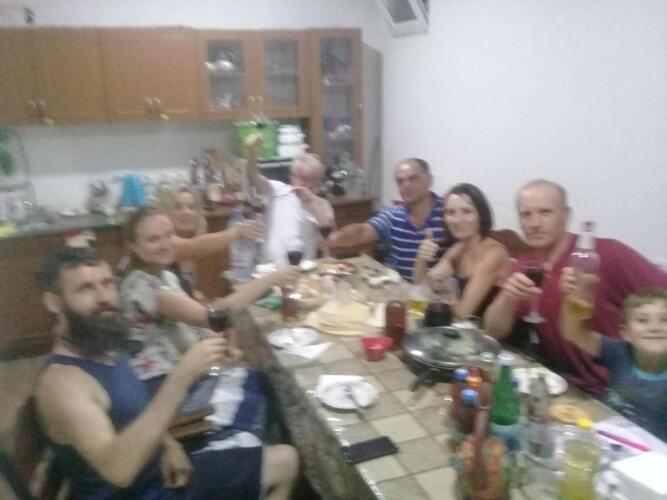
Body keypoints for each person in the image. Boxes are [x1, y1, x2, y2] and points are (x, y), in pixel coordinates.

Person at [33, 246, 298, 499]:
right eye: (85, 288)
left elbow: (132, 412)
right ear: (54, 303)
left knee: (285, 458)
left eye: (107, 283)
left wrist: (169, 445)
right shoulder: (63, 385)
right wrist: (181, 378)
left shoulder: (102, 344)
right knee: (283, 457)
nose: (104, 297)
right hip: (142, 493)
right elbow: (118, 471)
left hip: (160, 474)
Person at [119, 207, 298, 429]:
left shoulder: (164, 275)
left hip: (185, 374)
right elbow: (214, 317)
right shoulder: (142, 286)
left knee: (263, 380)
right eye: (153, 239)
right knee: (265, 391)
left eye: (169, 235)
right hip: (165, 392)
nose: (165, 244)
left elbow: (193, 324)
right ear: (133, 246)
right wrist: (269, 280)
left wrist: (224, 348)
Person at [484, 179, 667, 395]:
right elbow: (493, 330)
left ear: (566, 216)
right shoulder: (524, 266)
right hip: (564, 385)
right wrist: (508, 296)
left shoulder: (608, 253)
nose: (534, 223)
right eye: (526, 214)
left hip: (619, 391)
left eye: (545, 212)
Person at [560, 287, 667, 441]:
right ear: (625, 333)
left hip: (650, 450)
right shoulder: (618, 352)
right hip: (604, 432)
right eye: (642, 320)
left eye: (665, 320)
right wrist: (574, 300)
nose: (655, 328)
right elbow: (573, 332)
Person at [328, 158, 448, 280]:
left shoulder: (448, 212)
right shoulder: (394, 215)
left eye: (413, 179)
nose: (406, 185)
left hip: (434, 289)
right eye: (400, 181)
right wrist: (337, 237)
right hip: (399, 286)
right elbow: (364, 230)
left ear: (429, 180)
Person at [413, 183, 510, 319]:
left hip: (487, 330)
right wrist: (421, 258)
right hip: (461, 326)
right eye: (451, 212)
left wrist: (441, 293)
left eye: (467, 211)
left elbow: (464, 312)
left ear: (481, 215)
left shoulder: (494, 254)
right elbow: (420, 287)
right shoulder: (458, 249)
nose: (458, 220)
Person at [157, 184, 264, 300]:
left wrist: (193, 294)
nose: (187, 212)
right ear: (166, 212)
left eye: (192, 207)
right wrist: (238, 232)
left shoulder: (189, 237)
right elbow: (191, 247)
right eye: (178, 207)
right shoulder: (164, 240)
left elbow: (182, 287)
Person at [244, 134, 335, 264]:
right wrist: (252, 152)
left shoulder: (321, 203)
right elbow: (253, 176)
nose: (308, 184)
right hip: (271, 267)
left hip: (304, 268)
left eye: (313, 180)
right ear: (292, 177)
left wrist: (311, 200)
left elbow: (329, 236)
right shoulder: (276, 189)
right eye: (303, 179)